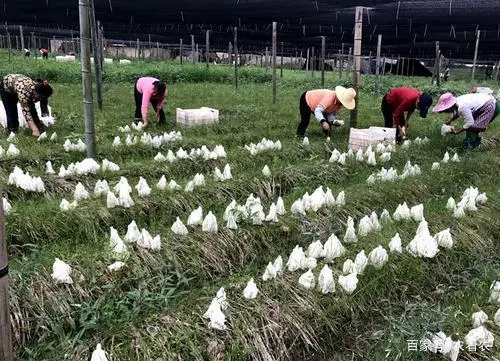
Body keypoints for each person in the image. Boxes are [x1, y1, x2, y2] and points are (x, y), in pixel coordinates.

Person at [433, 92, 499, 149]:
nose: (446, 111)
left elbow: (470, 122)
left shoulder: (462, 106)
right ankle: (472, 142)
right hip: (485, 102)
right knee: (471, 128)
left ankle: (474, 146)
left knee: (474, 127)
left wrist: (458, 131)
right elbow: (458, 112)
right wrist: (450, 120)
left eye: (446, 110)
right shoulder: (457, 102)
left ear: (450, 107)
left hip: (490, 106)